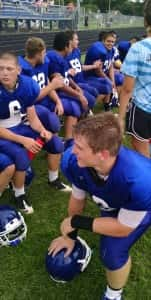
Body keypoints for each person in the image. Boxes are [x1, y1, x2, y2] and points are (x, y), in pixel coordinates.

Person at [49, 112, 151, 300]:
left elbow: (122, 228)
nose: (73, 151)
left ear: (103, 154)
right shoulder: (74, 162)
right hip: (114, 199)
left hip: (140, 207)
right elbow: (77, 198)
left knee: (111, 253)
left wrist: (78, 221)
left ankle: (113, 294)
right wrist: (70, 236)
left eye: (80, 147)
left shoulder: (140, 181)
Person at [0, 52, 64, 214]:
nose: (5, 73)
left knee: (55, 142)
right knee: (21, 155)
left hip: (18, 125)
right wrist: (23, 140)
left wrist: (42, 130)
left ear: (18, 70)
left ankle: (54, 179)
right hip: (3, 131)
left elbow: (32, 116)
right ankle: (19, 195)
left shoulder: (27, 85)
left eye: (9, 69)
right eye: (0, 69)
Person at [18, 37, 71, 192]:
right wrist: (53, 86)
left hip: (39, 109)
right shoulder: (22, 70)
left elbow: (47, 84)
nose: (46, 56)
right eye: (44, 52)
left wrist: (58, 101)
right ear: (39, 53)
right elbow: (30, 98)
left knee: (56, 143)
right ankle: (23, 169)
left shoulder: (43, 63)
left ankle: (53, 179)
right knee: (51, 122)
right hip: (25, 113)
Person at [119, 0, 151, 158]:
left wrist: (120, 118)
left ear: (145, 20)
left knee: (141, 150)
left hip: (142, 109)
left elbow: (127, 89)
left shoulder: (138, 49)